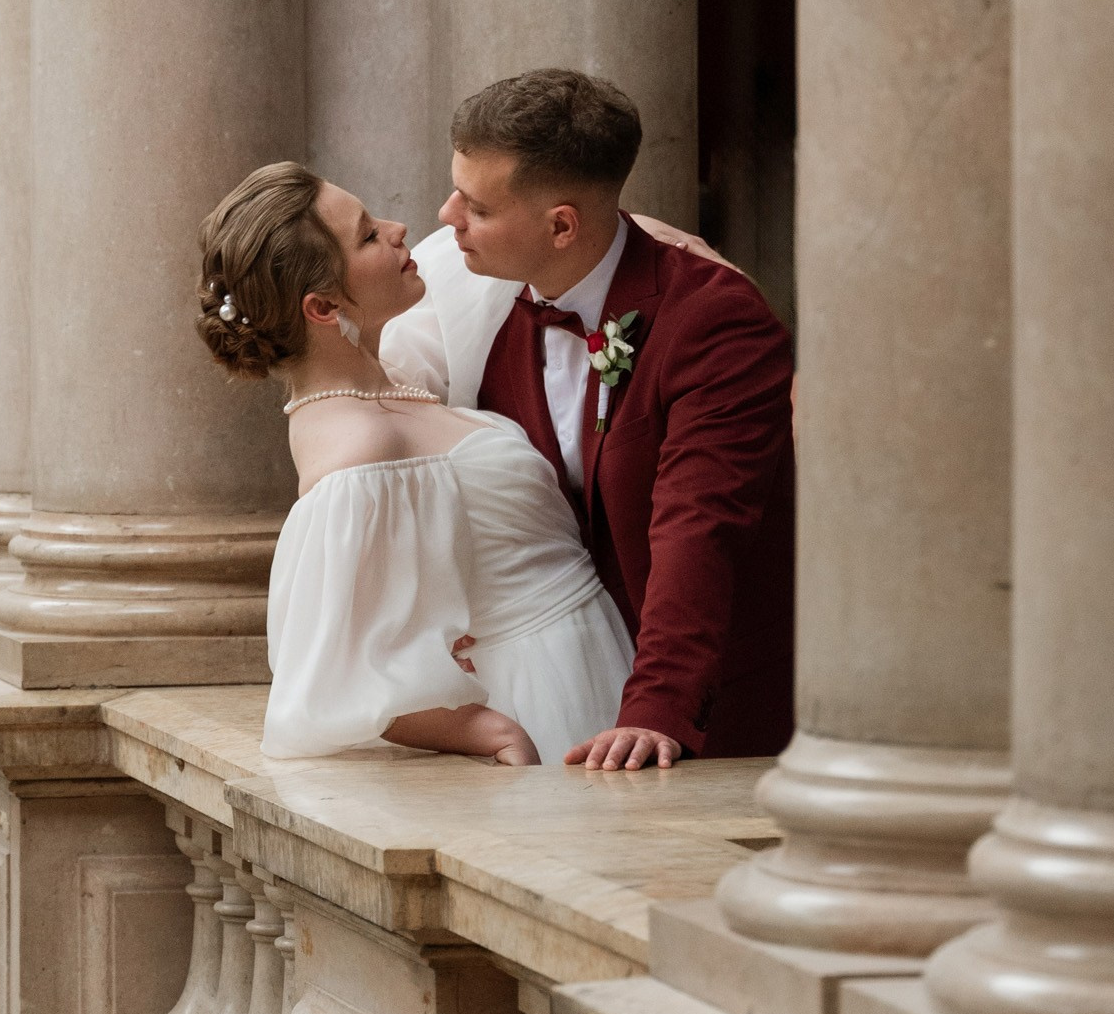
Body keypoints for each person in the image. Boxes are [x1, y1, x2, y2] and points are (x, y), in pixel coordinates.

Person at [381, 68, 794, 769]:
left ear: (562, 225)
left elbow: (701, 523)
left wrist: (657, 707)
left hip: (711, 712)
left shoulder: (716, 320)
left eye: (476, 206)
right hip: (568, 687)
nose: (447, 217)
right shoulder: (478, 308)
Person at [196, 161, 635, 768]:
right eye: (368, 235)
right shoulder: (357, 452)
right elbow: (336, 673)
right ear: (322, 307)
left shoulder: (392, 378)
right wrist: (489, 731)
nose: (399, 228)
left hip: (599, 655)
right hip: (548, 693)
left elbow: (548, 234)